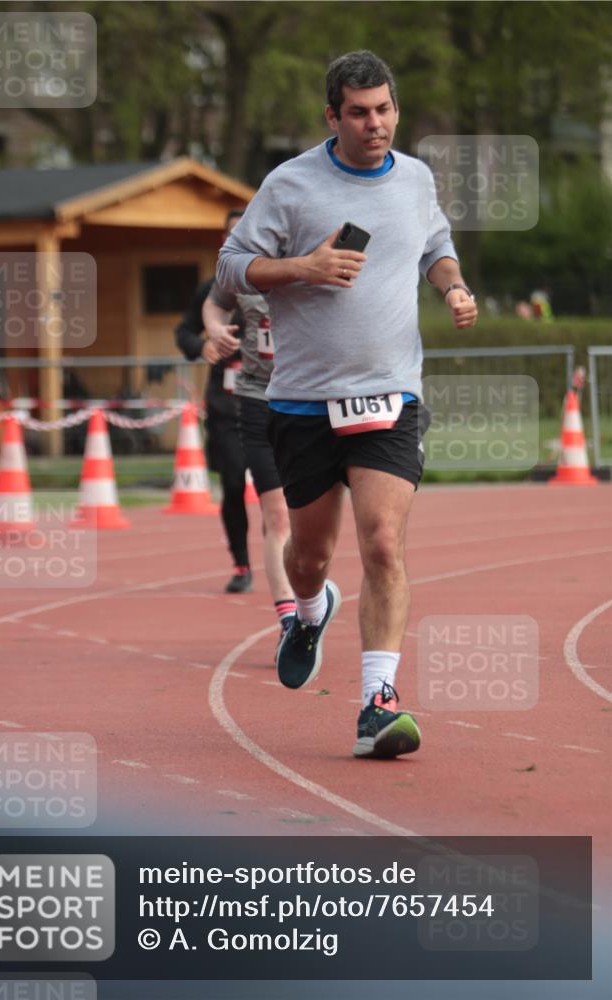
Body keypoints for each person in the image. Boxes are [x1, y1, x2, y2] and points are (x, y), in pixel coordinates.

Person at [217, 50, 478, 759]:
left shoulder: (416, 179)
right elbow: (232, 265)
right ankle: (308, 610)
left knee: (383, 545)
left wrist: (451, 286)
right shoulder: (291, 184)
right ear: (331, 116)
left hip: (391, 395)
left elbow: (435, 245)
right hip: (302, 402)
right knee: (309, 556)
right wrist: (302, 266)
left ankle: (376, 704)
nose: (375, 124)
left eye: (384, 109)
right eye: (358, 113)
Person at [202, 280, 297, 648]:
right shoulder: (244, 263)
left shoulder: (319, 257)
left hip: (309, 398)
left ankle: (309, 602)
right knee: (278, 516)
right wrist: (214, 329)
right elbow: (213, 301)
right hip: (256, 399)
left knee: (313, 523)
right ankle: (289, 621)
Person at [176, 208, 252, 594]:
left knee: (284, 492)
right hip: (226, 408)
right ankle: (241, 563)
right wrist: (202, 345)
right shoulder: (211, 291)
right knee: (234, 485)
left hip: (275, 403)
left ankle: (288, 556)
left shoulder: (277, 286)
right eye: (230, 234)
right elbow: (183, 331)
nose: (236, 240)